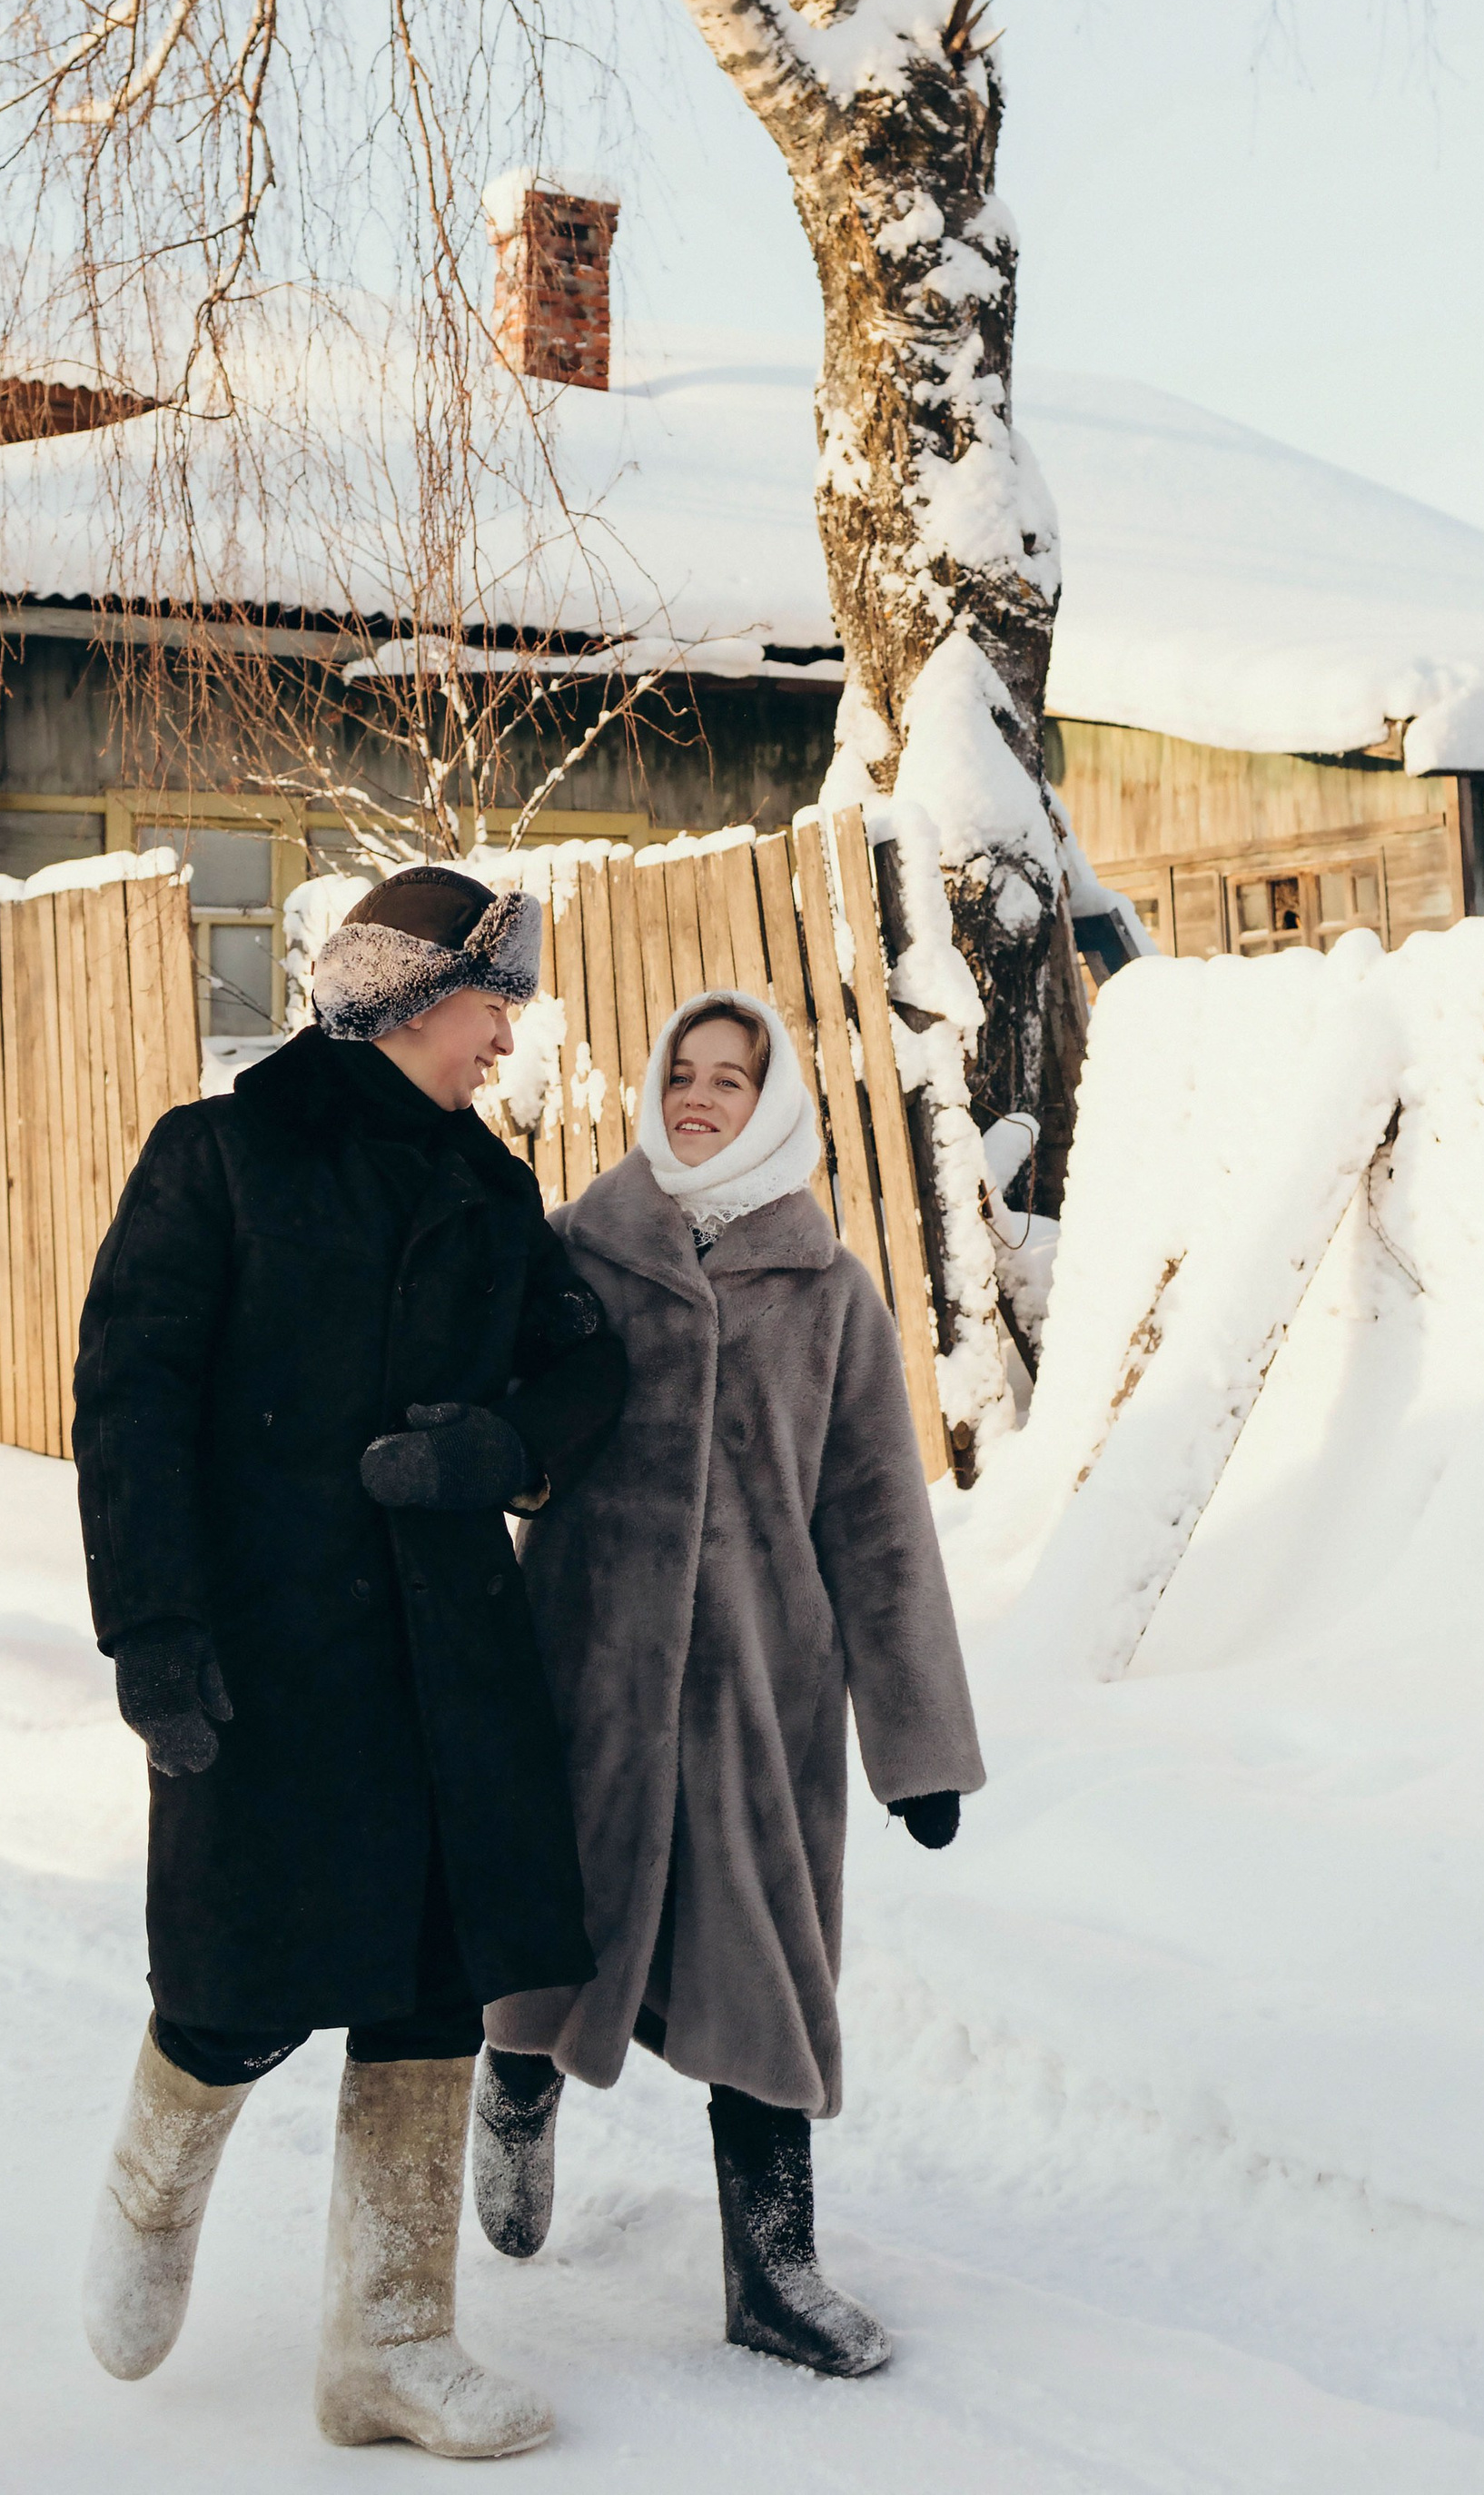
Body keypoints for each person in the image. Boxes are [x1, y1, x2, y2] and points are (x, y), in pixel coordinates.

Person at [70, 863, 626, 2458]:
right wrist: (155, 1631)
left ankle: (390, 2339)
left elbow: (591, 1356)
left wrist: (504, 1446)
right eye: (488, 998)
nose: (506, 1035)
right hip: (270, 1644)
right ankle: (150, 2185)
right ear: (403, 994)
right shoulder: (222, 1156)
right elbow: (130, 1400)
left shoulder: (490, 1187)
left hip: (444, 1650)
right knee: (237, 1979)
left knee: (434, 1985)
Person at [475, 987, 984, 2376]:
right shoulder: (584, 1249)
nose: (698, 1098)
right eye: (682, 1073)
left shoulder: (827, 1291)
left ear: (774, 1105)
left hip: (763, 1698)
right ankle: (514, 2093)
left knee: (761, 1970)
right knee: (548, 1937)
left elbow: (880, 1521)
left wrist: (918, 1743)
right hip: (584, 1672)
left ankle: (774, 2268)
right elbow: (509, 1428)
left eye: (730, 1079)